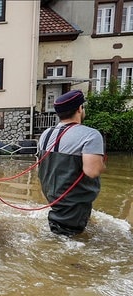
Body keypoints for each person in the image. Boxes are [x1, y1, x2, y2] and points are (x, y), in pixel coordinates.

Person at [38, 89, 106, 236]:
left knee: (59, 236)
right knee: (71, 241)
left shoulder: (46, 134)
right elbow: (92, 171)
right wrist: (102, 164)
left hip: (53, 198)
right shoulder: (91, 135)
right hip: (74, 203)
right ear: (79, 108)